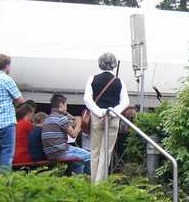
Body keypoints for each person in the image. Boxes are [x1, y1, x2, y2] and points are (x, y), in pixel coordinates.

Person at [84, 52, 129, 183]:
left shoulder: (92, 78)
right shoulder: (119, 81)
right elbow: (125, 102)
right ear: (114, 65)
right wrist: (112, 113)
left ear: (100, 64)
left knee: (95, 151)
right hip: (113, 119)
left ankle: (94, 182)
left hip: (97, 118)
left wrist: (99, 112)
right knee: (106, 152)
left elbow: (87, 99)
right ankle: (100, 184)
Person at [42, 94, 90, 174]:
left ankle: (78, 178)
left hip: (50, 154)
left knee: (78, 162)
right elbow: (74, 135)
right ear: (61, 105)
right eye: (66, 105)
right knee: (90, 156)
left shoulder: (47, 119)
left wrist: (74, 123)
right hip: (61, 152)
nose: (66, 108)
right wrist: (79, 122)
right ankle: (90, 179)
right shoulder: (61, 118)